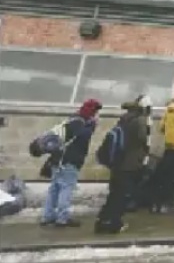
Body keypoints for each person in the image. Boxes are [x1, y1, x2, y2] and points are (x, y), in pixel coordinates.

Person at [41, 99, 102, 227]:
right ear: (92, 112)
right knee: (66, 189)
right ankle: (62, 218)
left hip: (57, 159)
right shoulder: (81, 123)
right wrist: (93, 125)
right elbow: (82, 138)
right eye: (96, 112)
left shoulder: (72, 119)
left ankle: (47, 216)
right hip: (69, 161)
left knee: (54, 188)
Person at [95, 95, 151, 234]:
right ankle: (114, 223)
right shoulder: (140, 120)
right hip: (130, 163)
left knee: (115, 193)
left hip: (118, 162)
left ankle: (103, 220)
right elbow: (143, 138)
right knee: (123, 194)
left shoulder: (125, 118)